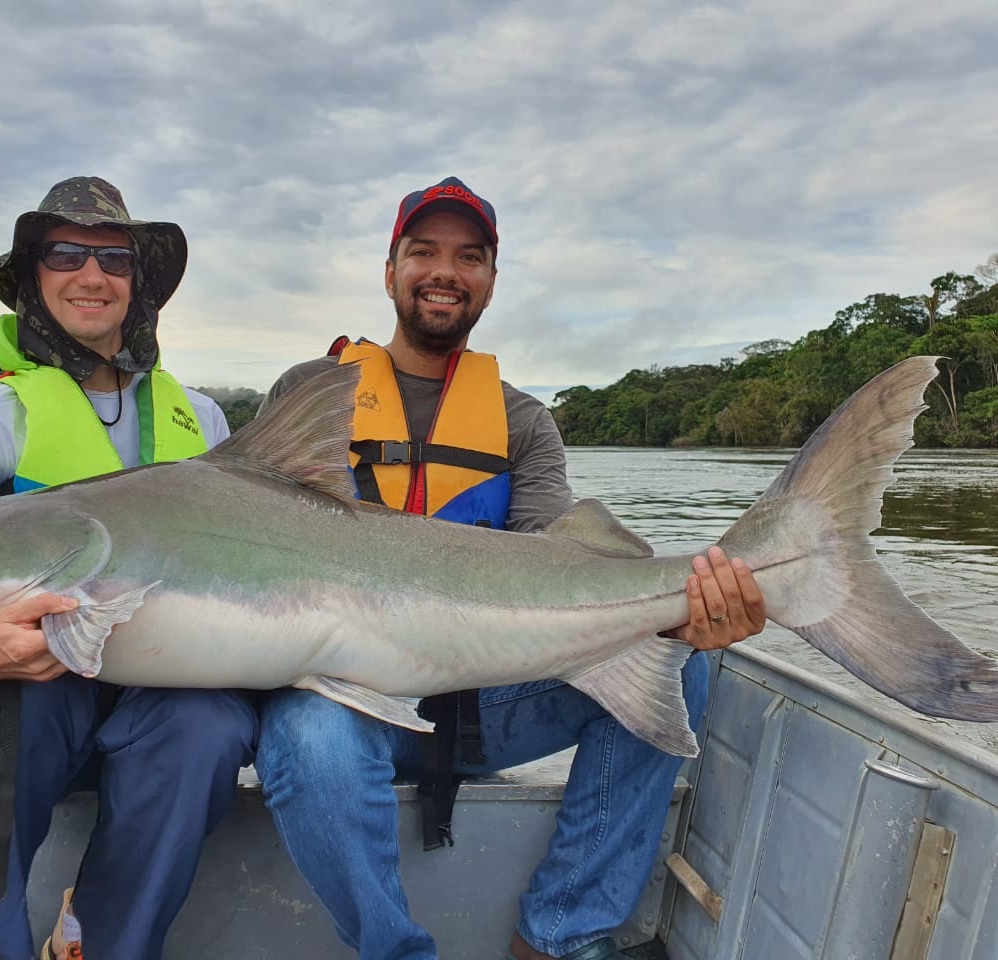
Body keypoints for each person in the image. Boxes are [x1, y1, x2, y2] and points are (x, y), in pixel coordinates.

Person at [253, 176, 766, 960]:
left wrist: (686, 608)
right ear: (389, 270)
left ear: (491, 279)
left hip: (483, 705)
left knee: (678, 661)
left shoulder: (523, 422)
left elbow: (559, 555)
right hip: (351, 698)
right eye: (423, 251)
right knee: (303, 734)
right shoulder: (312, 396)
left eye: (470, 256)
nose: (445, 272)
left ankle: (558, 936)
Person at [0, 176, 258, 960]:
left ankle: (104, 940)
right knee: (3, 700)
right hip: (31, 698)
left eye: (114, 258)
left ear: (139, 282)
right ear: (33, 278)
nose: (92, 275)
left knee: (211, 727)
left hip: (157, 683)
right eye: (66, 253)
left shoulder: (205, 420)